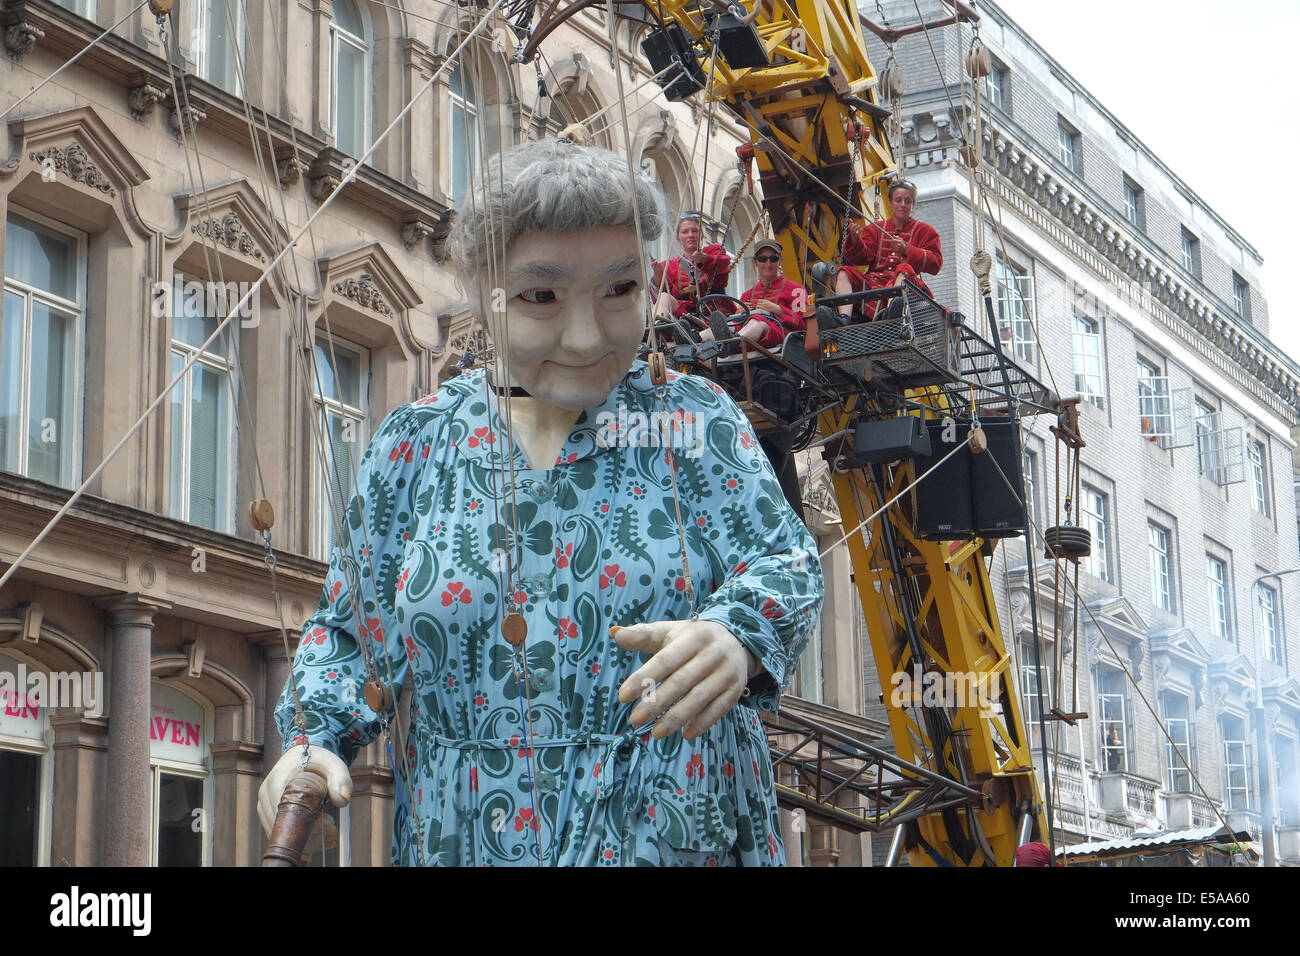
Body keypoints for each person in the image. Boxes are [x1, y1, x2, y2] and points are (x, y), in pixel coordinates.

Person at [258, 140, 823, 867]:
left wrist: (738, 633)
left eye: (620, 291)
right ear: (481, 289)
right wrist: (314, 739)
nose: (586, 336)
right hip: (466, 841)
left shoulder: (694, 421)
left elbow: (785, 560)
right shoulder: (415, 446)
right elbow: (351, 633)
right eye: (540, 297)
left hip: (669, 831)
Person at [835, 180, 943, 321]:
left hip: (906, 285)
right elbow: (862, 258)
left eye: (908, 201)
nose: (903, 205)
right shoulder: (875, 228)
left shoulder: (926, 231)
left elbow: (935, 263)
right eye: (898, 200)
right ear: (890, 203)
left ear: (913, 205)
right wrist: (855, 240)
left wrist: (907, 250)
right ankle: (844, 317)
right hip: (872, 285)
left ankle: (892, 313)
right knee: (844, 271)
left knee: (904, 268)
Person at [699, 238, 808, 352]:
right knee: (729, 324)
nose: (768, 264)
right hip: (748, 337)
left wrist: (777, 309)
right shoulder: (747, 295)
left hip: (781, 338)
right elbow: (738, 322)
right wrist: (738, 313)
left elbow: (802, 325)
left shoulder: (797, 290)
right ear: (755, 261)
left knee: (758, 321)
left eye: (773, 259)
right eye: (763, 259)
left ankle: (733, 342)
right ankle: (695, 339)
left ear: (780, 261)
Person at [650, 212, 734, 324]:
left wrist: (706, 259)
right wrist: (657, 276)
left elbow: (724, 263)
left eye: (695, 231)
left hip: (713, 314)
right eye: (685, 232)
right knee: (664, 297)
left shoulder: (714, 250)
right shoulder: (669, 266)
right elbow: (657, 297)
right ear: (678, 237)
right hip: (684, 316)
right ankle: (656, 329)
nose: (690, 235)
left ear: (702, 236)